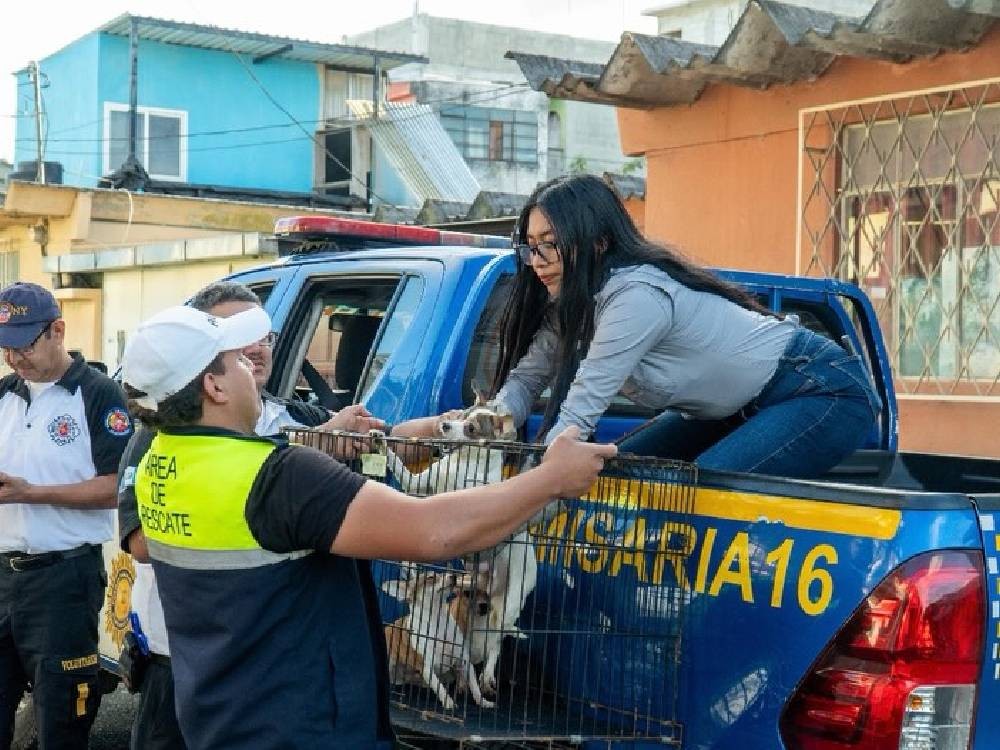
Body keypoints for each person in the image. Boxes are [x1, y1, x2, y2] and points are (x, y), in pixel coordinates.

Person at [118, 303, 614, 750]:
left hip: (222, 718)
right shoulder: (279, 477)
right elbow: (431, 532)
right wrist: (549, 479)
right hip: (303, 728)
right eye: (238, 360)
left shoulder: (164, 458)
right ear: (214, 385)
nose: (253, 366)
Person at [398, 173, 881, 479]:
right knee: (621, 477)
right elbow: (525, 381)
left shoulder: (636, 297)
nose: (536, 260)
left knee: (703, 495)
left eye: (550, 243)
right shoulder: (568, 308)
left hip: (818, 389)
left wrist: (525, 489)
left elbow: (581, 408)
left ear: (598, 242)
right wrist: (490, 422)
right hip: (731, 407)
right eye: (529, 246)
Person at [118, 281, 384, 750]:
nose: (255, 348)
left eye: (263, 335)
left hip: (262, 671)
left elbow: (369, 447)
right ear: (206, 371)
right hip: (179, 660)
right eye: (234, 337)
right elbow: (141, 542)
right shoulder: (163, 431)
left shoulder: (297, 417)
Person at [0, 282, 133, 749]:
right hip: (2, 575)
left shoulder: (98, 395)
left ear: (57, 330)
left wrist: (31, 493)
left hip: (63, 579)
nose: (15, 359)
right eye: (5, 348)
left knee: (63, 717)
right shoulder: (5, 395)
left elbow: (118, 486)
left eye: (23, 345)